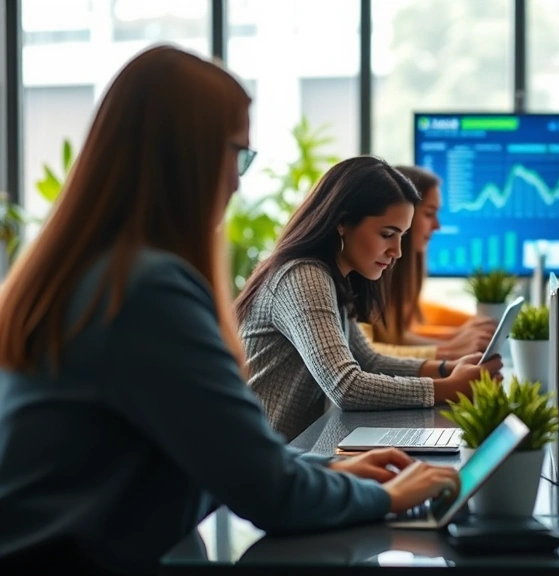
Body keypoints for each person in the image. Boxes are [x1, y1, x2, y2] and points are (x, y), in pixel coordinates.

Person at [0, 45, 459, 574]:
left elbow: (224, 452)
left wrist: (329, 467)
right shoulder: (147, 291)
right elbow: (269, 494)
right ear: (183, 154)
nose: (240, 181)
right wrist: (391, 496)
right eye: (237, 154)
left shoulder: (96, 270)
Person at [235, 156, 502, 441]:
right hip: (255, 462)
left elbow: (367, 361)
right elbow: (346, 386)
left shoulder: (332, 278)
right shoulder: (303, 277)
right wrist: (448, 388)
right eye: (388, 234)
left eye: (402, 236)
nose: (397, 251)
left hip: (288, 455)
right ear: (342, 223)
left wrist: (447, 369)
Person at [361, 165, 496, 360]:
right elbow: (366, 352)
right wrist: (449, 350)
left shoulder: (394, 280)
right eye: (429, 213)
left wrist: (456, 339)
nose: (437, 226)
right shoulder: (362, 273)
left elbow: (397, 337)